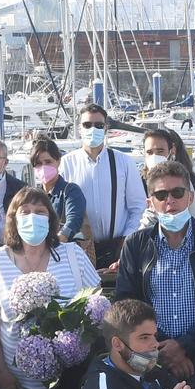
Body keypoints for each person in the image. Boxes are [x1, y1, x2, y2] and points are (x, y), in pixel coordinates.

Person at [0, 187, 103, 389]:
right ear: (13, 219)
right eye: (25, 211)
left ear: (51, 219)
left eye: (40, 211)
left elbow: (96, 307)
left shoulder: (72, 255)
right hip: (17, 387)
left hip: (72, 380)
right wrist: (1, 374)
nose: (33, 217)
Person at [114, 159, 195, 389]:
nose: (170, 201)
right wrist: (160, 349)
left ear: (189, 197)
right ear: (151, 203)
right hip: (149, 362)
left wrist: (184, 346)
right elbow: (126, 303)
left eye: (177, 192)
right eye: (161, 195)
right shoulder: (135, 245)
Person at [61, 102, 147, 271]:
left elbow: (138, 207)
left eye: (98, 125)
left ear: (106, 128)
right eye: (87, 125)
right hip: (79, 248)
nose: (92, 129)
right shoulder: (66, 163)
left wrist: (127, 239)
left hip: (118, 247)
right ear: (79, 128)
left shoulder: (124, 162)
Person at [138, 126, 195, 226]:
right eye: (149, 152)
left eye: (160, 151)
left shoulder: (191, 181)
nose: (154, 156)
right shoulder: (139, 182)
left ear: (172, 150)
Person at [29, 137, 88, 248]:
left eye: (48, 162)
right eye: (38, 163)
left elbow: (74, 220)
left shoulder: (70, 191)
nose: (43, 167)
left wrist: (60, 238)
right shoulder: (34, 196)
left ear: (58, 161)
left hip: (66, 251)